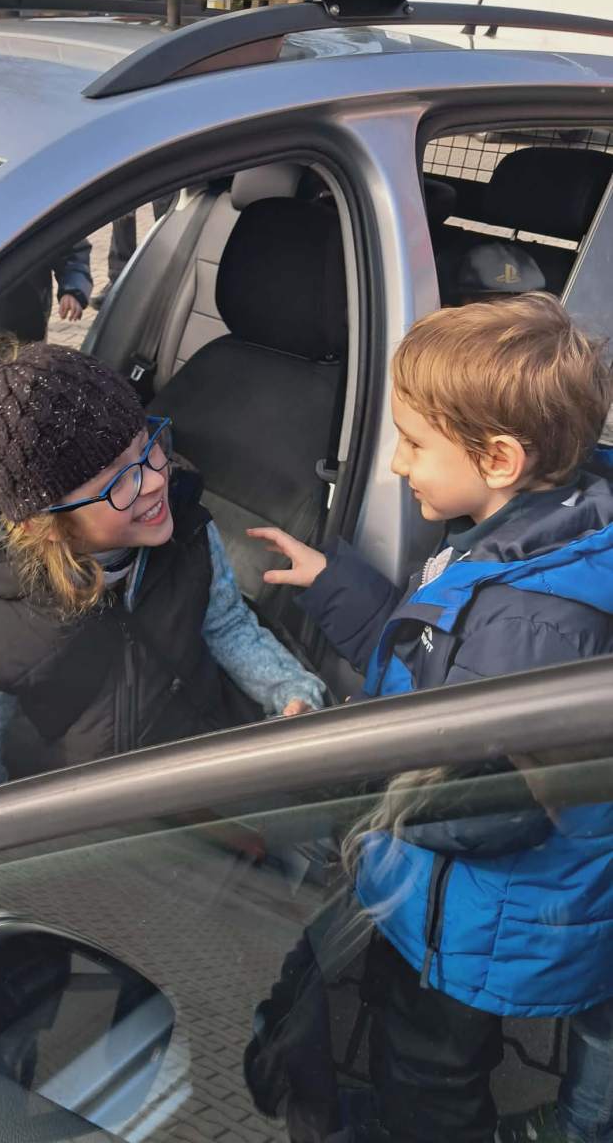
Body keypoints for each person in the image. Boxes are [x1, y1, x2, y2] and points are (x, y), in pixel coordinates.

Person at [249, 293, 613, 1143]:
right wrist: (334, 584)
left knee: (433, 1070)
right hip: (457, 898)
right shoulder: (517, 537)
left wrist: (353, 768)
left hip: (481, 926)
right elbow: (435, 657)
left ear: (499, 457)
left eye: (414, 443)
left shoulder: (536, 620)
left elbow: (496, 808)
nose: (396, 462)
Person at [0, 338, 326, 798]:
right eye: (118, 481)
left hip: (205, 746)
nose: (156, 480)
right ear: (46, 524)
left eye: (147, 448)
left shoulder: (188, 531)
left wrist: (289, 688)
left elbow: (225, 622)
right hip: (107, 803)